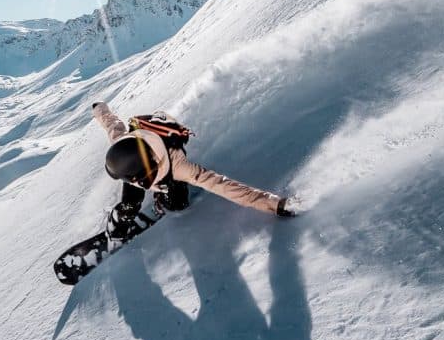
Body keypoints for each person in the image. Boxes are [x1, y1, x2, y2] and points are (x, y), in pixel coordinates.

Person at [92, 102, 294, 243]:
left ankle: (162, 201)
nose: (132, 182)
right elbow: (112, 124)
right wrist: (100, 109)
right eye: (128, 179)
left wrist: (274, 204)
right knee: (129, 203)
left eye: (136, 179)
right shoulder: (125, 148)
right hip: (141, 167)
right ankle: (117, 228)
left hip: (165, 174)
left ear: (148, 170)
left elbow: (223, 185)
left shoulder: (180, 167)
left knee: (178, 204)